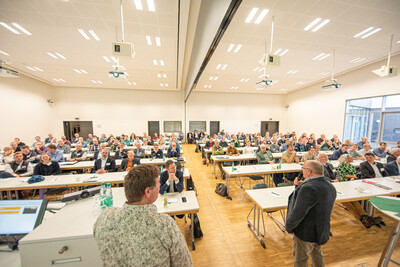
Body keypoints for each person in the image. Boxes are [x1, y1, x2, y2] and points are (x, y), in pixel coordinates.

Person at [94, 164, 193, 266]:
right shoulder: (165, 225)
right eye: (158, 183)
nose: (160, 186)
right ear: (148, 191)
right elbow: (185, 264)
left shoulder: (104, 218)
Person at [286, 160, 336, 267]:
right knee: (317, 254)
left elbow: (298, 212)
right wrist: (299, 187)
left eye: (303, 169)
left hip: (306, 232)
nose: (302, 171)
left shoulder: (308, 188)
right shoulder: (330, 186)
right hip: (321, 229)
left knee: (301, 259)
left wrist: (290, 227)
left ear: (308, 171)